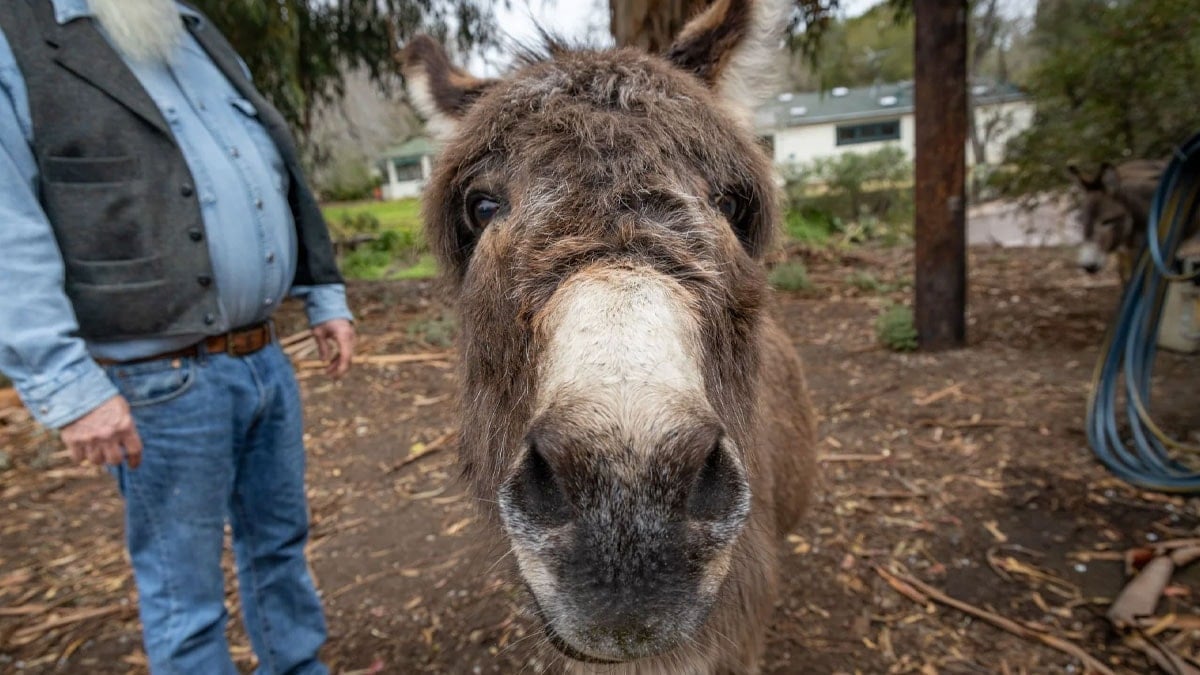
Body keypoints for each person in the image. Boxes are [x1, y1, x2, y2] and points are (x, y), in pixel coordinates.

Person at [0, 1, 355, 672]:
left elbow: (273, 171)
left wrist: (323, 291)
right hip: (157, 382)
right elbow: (5, 227)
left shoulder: (191, 30)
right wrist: (69, 388)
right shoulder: (17, 40)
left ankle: (299, 665)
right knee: (182, 589)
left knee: (280, 543)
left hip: (262, 359)